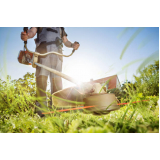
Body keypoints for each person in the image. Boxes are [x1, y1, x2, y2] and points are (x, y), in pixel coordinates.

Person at [21, 27, 80, 117]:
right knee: (41, 82)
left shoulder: (60, 27)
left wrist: (72, 45)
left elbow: (65, 41)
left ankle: (57, 111)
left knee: (57, 83)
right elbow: (32, 32)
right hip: (43, 54)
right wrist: (27, 36)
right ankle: (41, 112)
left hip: (57, 56)